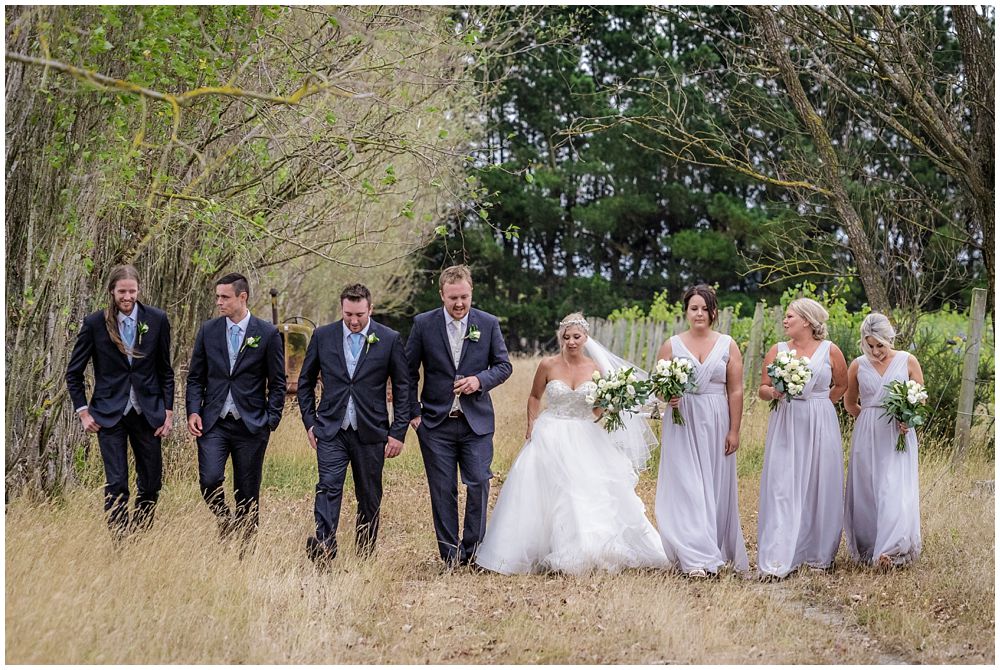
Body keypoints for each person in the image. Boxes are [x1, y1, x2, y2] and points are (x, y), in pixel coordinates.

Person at [476, 313, 669, 575]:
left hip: (585, 434)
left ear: (586, 338)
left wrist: (609, 407)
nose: (571, 341)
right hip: (551, 432)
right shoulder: (547, 364)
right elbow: (535, 396)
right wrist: (531, 423)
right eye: (566, 337)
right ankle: (543, 550)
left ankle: (587, 550)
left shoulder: (596, 369)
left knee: (584, 491)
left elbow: (598, 410)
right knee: (548, 491)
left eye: (576, 336)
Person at [405, 264, 512, 568]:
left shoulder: (488, 324)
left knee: (478, 483)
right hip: (435, 424)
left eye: (464, 296)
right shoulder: (424, 324)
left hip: (475, 423)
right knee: (443, 490)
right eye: (453, 298)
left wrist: (480, 381)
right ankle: (450, 555)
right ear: (442, 294)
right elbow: (407, 372)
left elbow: (503, 366)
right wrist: (413, 413)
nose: (459, 304)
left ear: (471, 292)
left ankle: (474, 551)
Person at [297, 284, 411, 564]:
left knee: (369, 495)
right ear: (342, 309)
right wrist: (310, 423)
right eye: (348, 314)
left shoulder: (389, 338)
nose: (354, 320)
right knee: (327, 486)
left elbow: (403, 387)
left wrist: (397, 432)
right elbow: (305, 382)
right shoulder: (323, 336)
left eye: (360, 314)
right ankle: (324, 545)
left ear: (370, 309)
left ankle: (364, 555)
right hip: (331, 429)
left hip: (371, 431)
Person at [66, 265, 174, 542]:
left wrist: (168, 413)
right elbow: (74, 373)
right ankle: (120, 543)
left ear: (139, 290)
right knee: (117, 484)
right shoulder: (94, 323)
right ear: (112, 291)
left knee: (151, 484)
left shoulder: (158, 319)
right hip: (108, 414)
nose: (127, 296)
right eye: (122, 291)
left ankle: (139, 533)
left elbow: (165, 371)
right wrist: (83, 412)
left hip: (147, 413)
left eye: (132, 291)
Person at [654, 285, 749, 577]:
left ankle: (714, 547)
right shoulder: (672, 345)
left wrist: (734, 430)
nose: (699, 314)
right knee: (687, 484)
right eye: (694, 308)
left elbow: (735, 390)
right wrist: (666, 395)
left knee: (714, 484)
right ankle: (694, 557)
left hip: (716, 419)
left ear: (713, 312)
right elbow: (656, 385)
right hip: (683, 419)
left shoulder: (727, 344)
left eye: (704, 309)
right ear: (686, 311)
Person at [186, 272, 285, 547]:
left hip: (251, 425)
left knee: (248, 491)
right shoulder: (208, 331)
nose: (219, 302)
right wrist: (193, 411)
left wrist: (271, 420)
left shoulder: (267, 334)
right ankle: (224, 519)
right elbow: (195, 377)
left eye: (225, 297)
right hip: (213, 422)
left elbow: (277, 383)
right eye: (217, 296)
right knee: (209, 480)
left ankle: (245, 550)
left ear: (242, 297)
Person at [756, 297, 848, 579]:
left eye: (790, 316)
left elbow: (842, 385)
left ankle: (817, 554)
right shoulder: (778, 350)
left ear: (807, 321)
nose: (785, 321)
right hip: (786, 422)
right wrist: (773, 393)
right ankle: (778, 555)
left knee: (819, 485)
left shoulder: (831, 351)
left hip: (821, 424)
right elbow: (761, 387)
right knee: (782, 486)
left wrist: (820, 403)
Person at [843, 312, 923, 569]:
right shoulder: (857, 365)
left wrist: (907, 419)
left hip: (898, 434)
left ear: (889, 339)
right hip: (867, 434)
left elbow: (920, 399)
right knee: (868, 490)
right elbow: (849, 402)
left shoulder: (907, 361)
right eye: (870, 345)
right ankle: (870, 546)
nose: (875, 350)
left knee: (894, 489)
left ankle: (892, 551)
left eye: (880, 344)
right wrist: (867, 419)